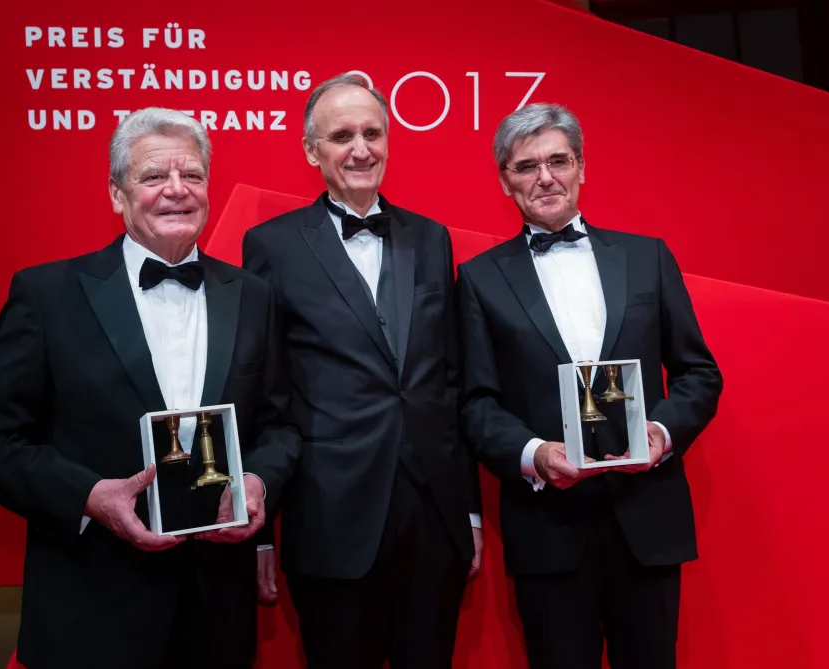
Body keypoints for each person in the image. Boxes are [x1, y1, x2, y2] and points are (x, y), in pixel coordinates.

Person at [0, 107, 298, 669]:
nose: (177, 191)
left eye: (192, 175)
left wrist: (256, 479)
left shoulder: (253, 296)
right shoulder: (47, 295)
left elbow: (280, 424)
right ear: (117, 193)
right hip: (91, 610)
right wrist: (88, 496)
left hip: (216, 613)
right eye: (154, 176)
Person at [457, 103, 723, 669]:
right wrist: (534, 454)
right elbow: (477, 404)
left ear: (582, 168)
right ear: (505, 181)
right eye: (526, 166)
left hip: (646, 520)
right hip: (548, 528)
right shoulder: (478, 279)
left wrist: (660, 432)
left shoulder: (647, 257)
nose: (545, 177)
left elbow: (700, 372)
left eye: (558, 160)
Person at [241, 73, 482, 669]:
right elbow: (262, 391)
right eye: (342, 135)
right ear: (310, 150)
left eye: (372, 133)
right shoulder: (271, 245)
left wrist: (470, 509)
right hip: (330, 515)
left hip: (433, 516)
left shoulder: (431, 238)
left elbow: (451, 381)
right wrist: (263, 528)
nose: (360, 149)